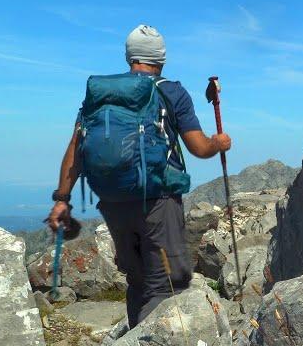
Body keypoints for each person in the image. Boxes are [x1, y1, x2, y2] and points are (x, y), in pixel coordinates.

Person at [46, 24, 231, 328]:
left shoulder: (101, 96)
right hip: (157, 203)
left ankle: (134, 336)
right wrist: (218, 143)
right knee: (165, 285)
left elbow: (75, 150)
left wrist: (61, 199)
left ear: (129, 56)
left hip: (112, 201)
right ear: (162, 58)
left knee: (137, 280)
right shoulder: (170, 90)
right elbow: (198, 147)